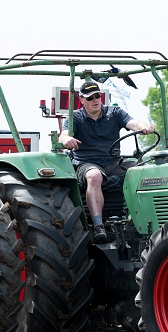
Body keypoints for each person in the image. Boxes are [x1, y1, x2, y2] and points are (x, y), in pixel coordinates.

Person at [58, 81, 155, 243]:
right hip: (86, 163)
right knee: (94, 176)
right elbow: (63, 135)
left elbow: (132, 123)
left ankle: (144, 220)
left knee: (141, 172)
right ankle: (98, 226)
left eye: (97, 96)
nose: (95, 100)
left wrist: (143, 125)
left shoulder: (114, 113)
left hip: (113, 162)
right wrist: (66, 139)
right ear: (81, 100)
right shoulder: (76, 117)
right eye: (90, 98)